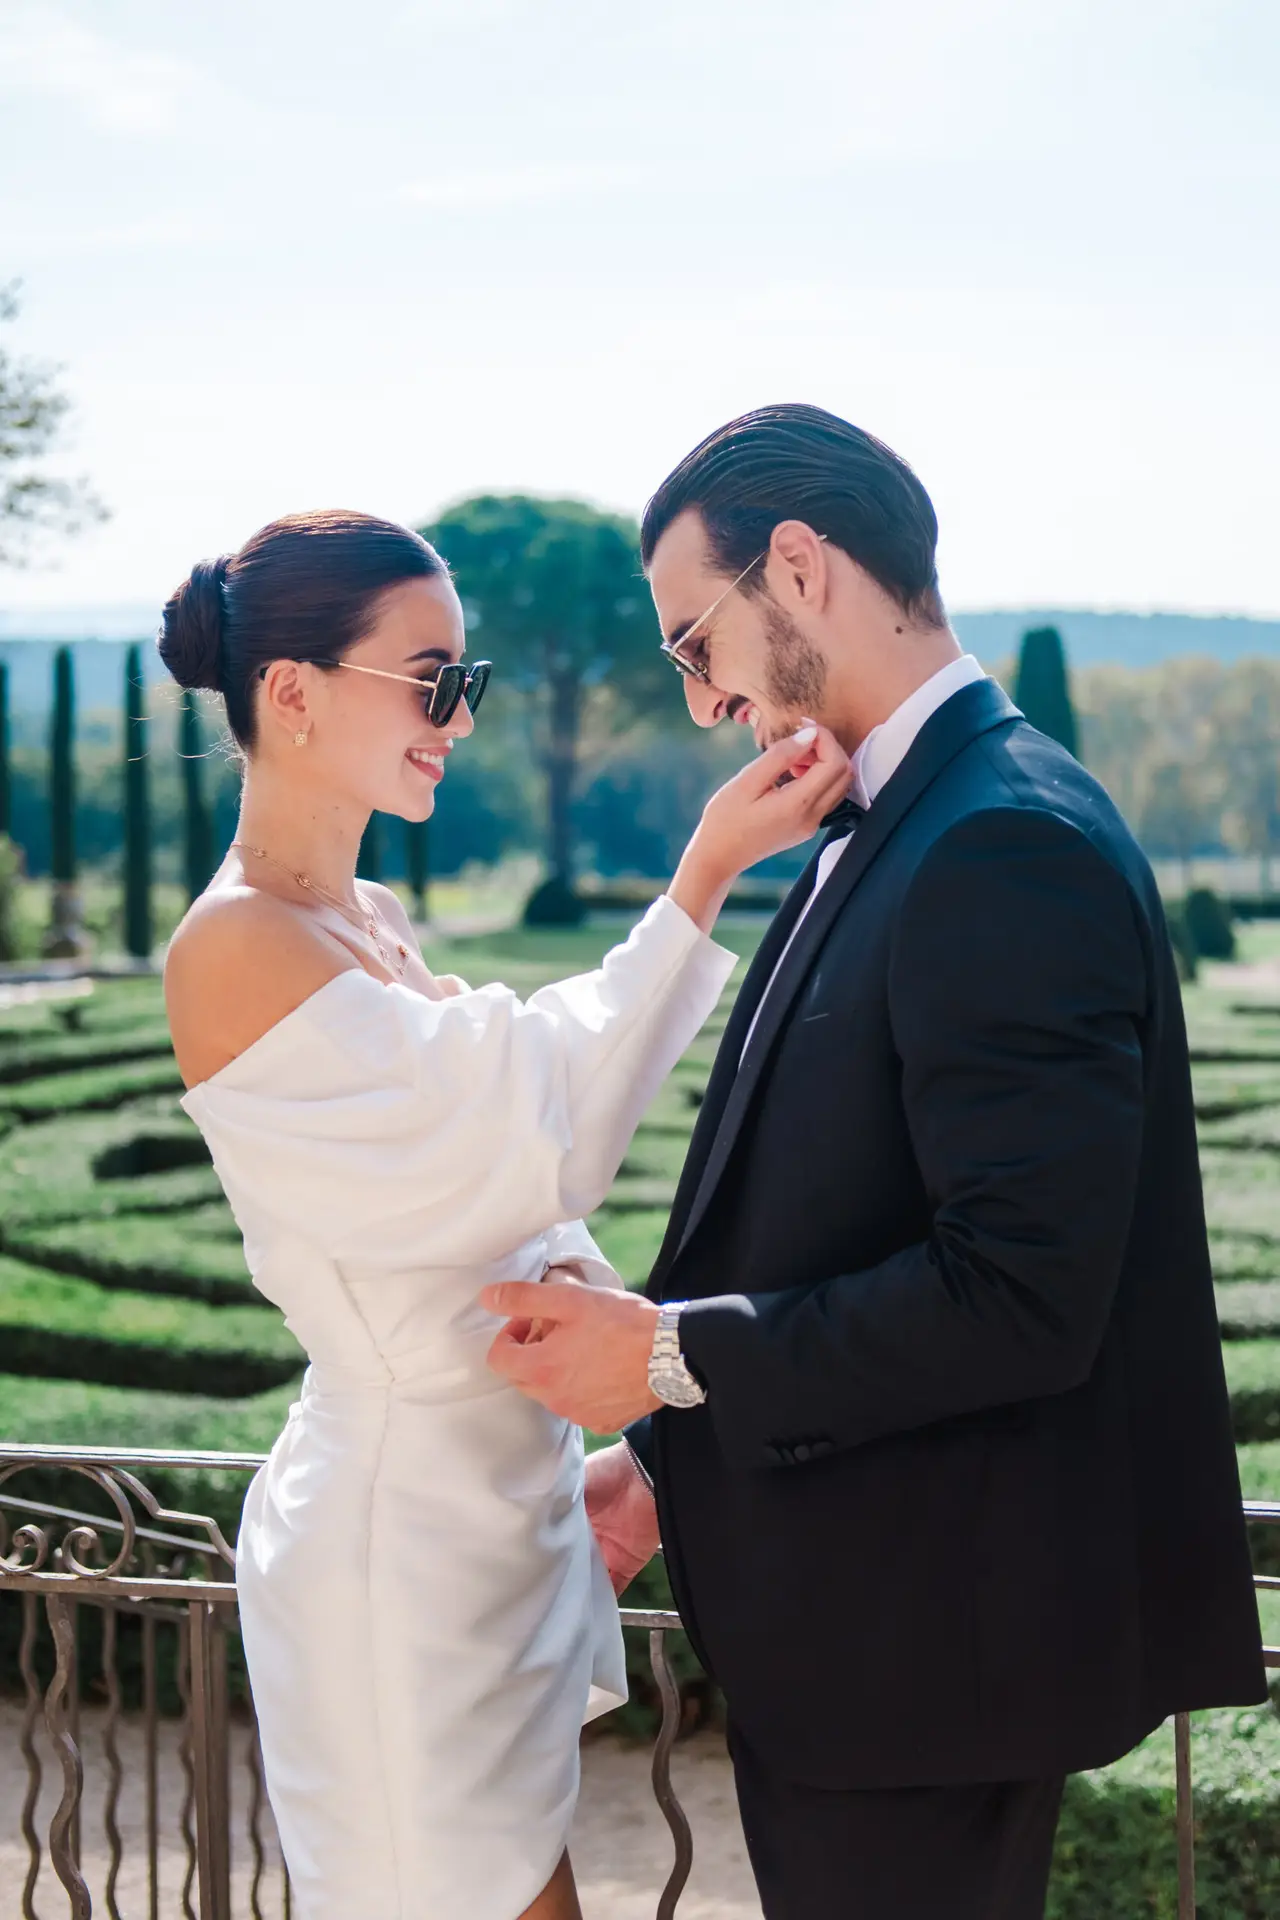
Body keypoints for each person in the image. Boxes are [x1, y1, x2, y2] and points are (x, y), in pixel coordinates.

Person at [480, 407, 1267, 1920]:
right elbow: (838, 1216)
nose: (704, 700)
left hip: (929, 1668)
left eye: (693, 644)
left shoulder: (999, 841)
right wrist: (659, 1463)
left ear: (799, 567)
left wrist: (663, 1359)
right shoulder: (901, 814)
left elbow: (1021, 1296)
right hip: (883, 1657)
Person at [159, 507, 853, 1920]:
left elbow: (494, 1213)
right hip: (397, 1557)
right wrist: (702, 878)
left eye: (465, 684)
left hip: (498, 1521)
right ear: (291, 693)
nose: (458, 719)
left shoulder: (367, 915)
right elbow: (532, 1125)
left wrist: (638, 1419)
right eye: (431, 681)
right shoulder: (234, 946)